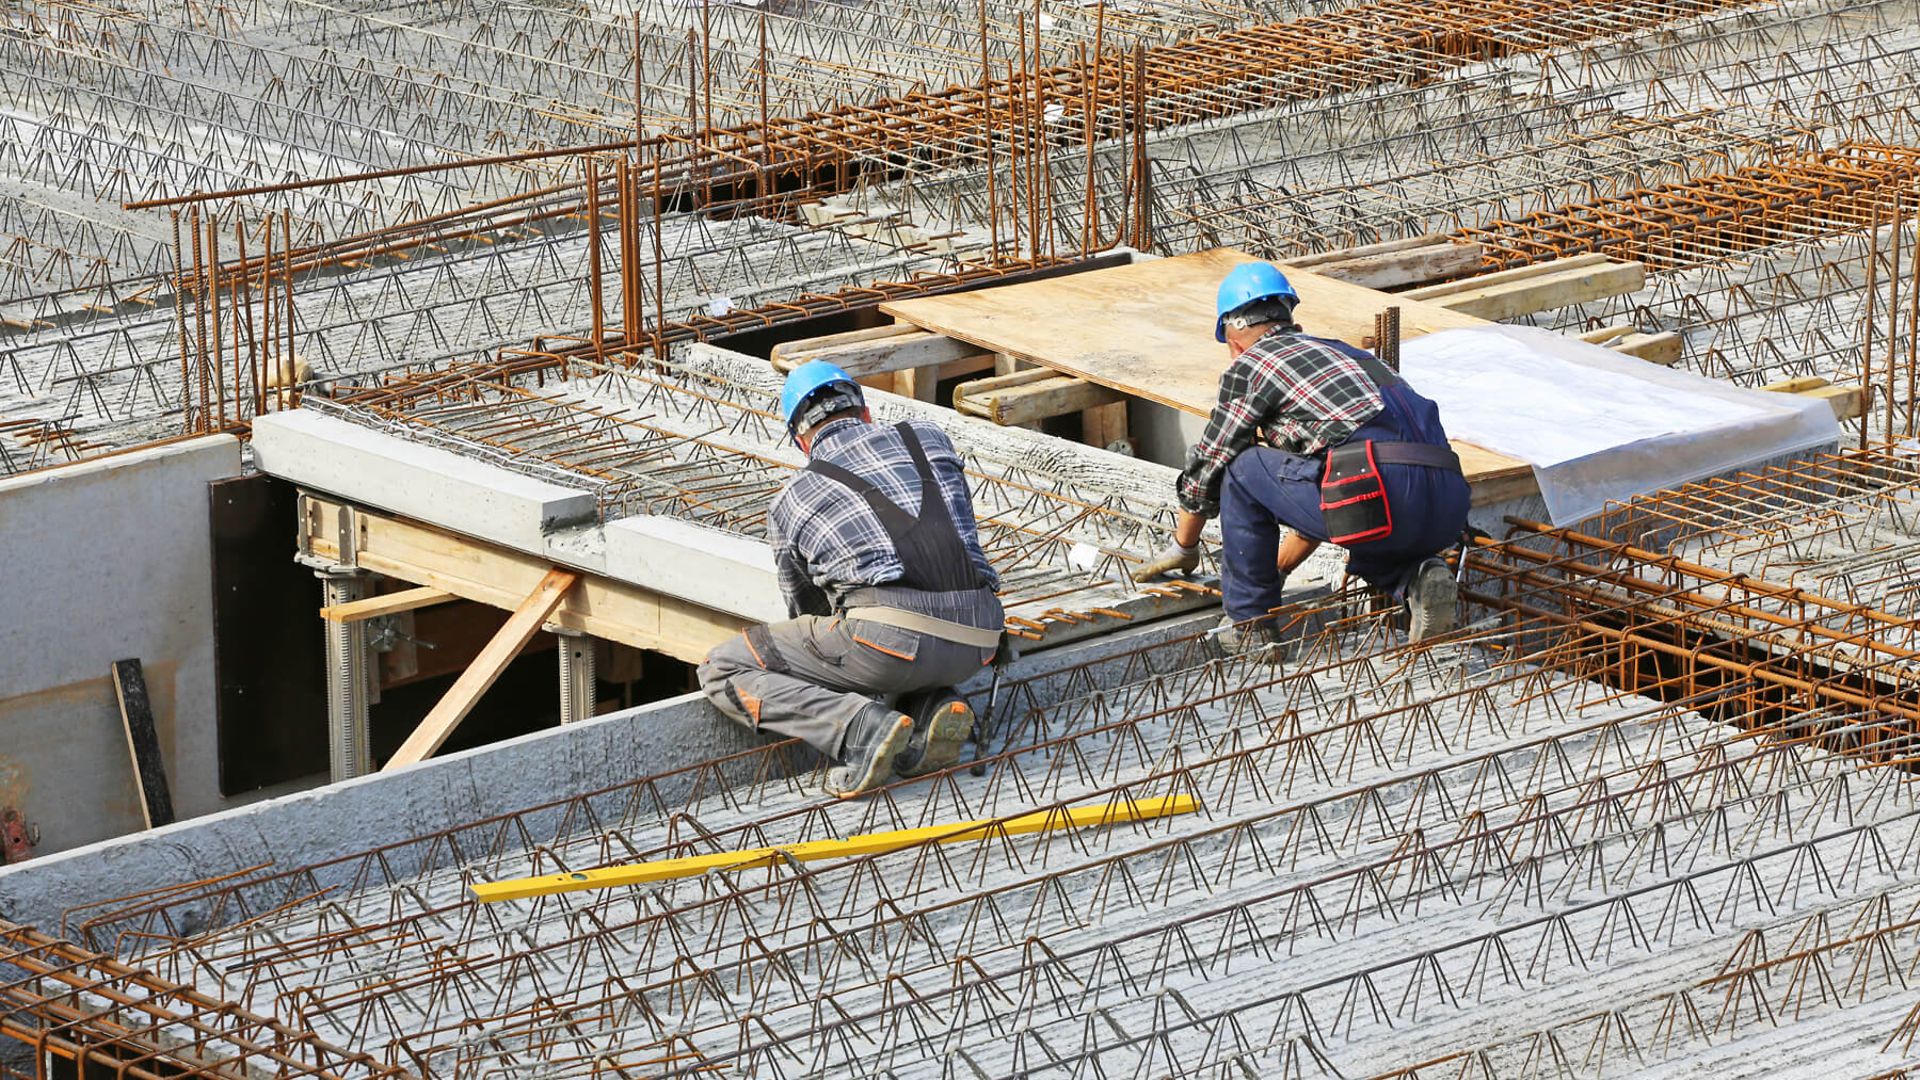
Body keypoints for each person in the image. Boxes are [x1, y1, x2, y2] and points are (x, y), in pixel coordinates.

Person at [697, 361, 1004, 796]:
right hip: (983, 637)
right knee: (893, 631)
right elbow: (960, 537)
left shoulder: (791, 500)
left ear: (801, 440)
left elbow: (808, 611)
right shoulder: (930, 438)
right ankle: (933, 704)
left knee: (722, 667)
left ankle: (860, 730)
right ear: (865, 412)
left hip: (892, 648)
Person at [1133, 262, 1470, 650]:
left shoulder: (1254, 363)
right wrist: (1275, 569)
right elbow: (1315, 491)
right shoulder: (1346, 354)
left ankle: (1251, 624)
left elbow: (1210, 464)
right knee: (1347, 485)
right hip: (1446, 504)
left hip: (1380, 491)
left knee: (1242, 467)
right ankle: (1416, 577)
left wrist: (1184, 547)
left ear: (1234, 337)